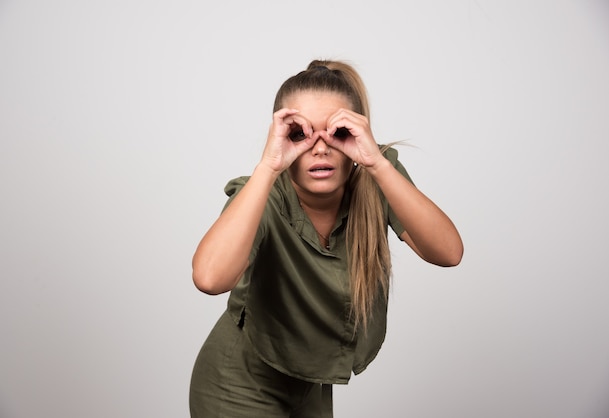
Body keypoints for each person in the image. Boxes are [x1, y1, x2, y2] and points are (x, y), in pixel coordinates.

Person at [189, 59, 463, 417]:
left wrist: (377, 163)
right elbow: (209, 278)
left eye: (337, 133)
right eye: (300, 134)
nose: (320, 148)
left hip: (311, 384)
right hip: (240, 382)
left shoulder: (376, 180)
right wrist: (268, 166)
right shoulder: (265, 195)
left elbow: (448, 252)